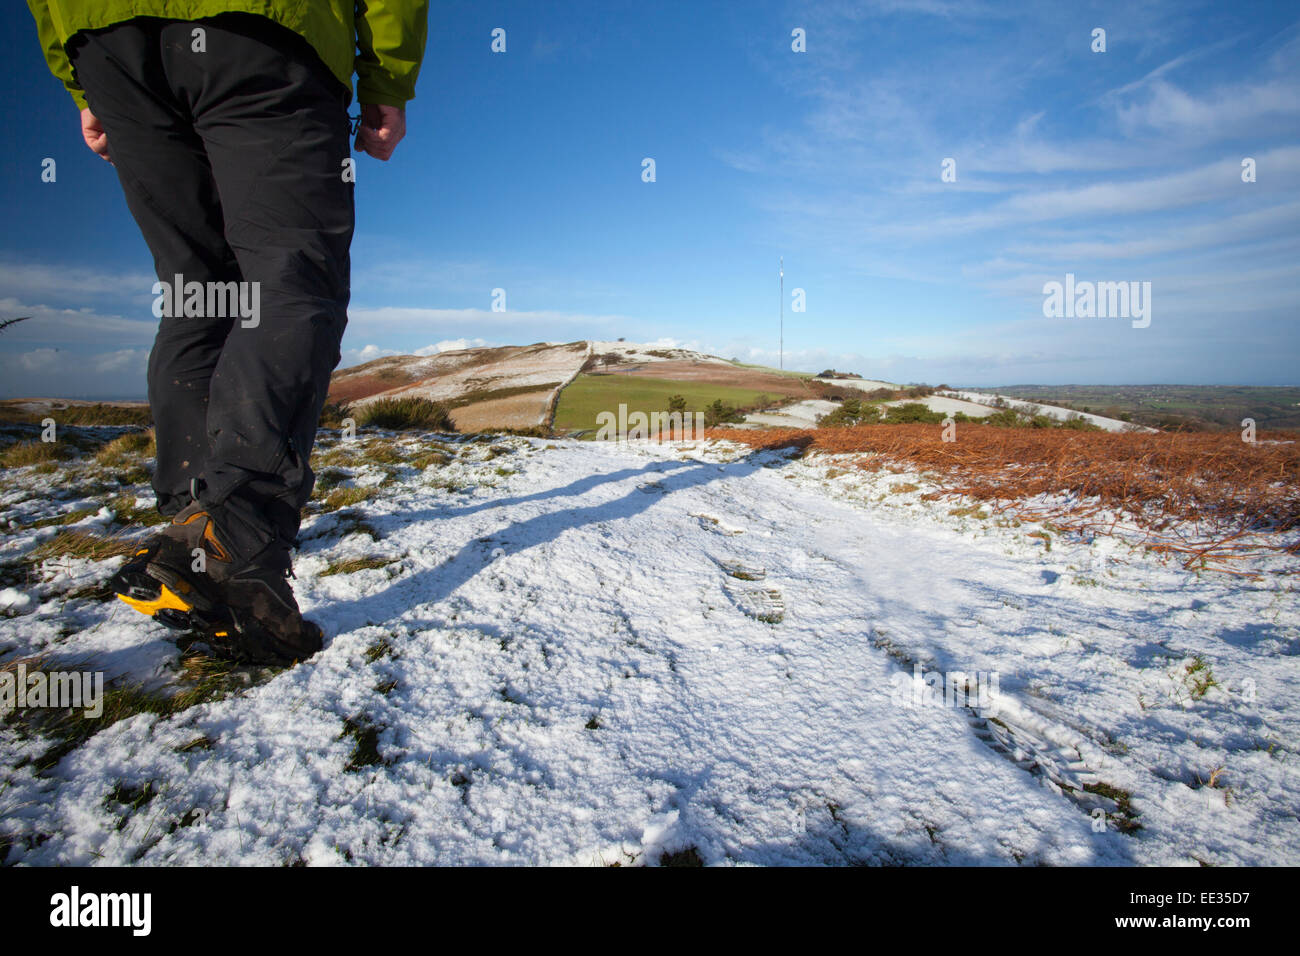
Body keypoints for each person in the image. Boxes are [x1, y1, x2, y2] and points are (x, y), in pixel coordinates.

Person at [27, 2, 428, 665]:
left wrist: (80, 77)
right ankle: (234, 539)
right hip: (265, 33)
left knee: (199, 291)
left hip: (107, 45)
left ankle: (193, 535)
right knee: (291, 276)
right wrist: (386, 81)